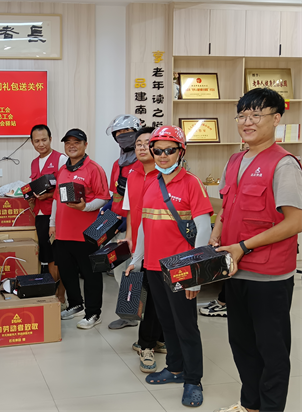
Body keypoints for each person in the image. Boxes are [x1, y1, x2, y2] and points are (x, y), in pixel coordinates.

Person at [213, 88, 302, 412]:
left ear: (276, 119)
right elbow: (227, 207)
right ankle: (250, 406)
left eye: (256, 115)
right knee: (242, 345)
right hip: (234, 269)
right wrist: (216, 235)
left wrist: (242, 246)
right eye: (242, 115)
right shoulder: (235, 159)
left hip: (268, 276)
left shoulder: (284, 164)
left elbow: (295, 222)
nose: (247, 122)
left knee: (272, 351)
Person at [126, 126, 213, 408]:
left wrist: (196, 275)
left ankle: (193, 379)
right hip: (154, 266)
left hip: (181, 268)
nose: (163, 156)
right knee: (166, 321)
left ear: (181, 151)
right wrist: (137, 258)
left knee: (186, 325)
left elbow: (203, 229)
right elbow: (144, 226)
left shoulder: (191, 183)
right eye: (157, 150)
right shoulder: (152, 183)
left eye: (169, 150)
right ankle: (175, 368)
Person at [50, 128, 110, 329]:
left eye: (76, 142)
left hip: (87, 234)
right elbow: (56, 200)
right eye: (68, 142)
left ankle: (94, 313)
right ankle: (76, 305)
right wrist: (52, 224)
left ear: (85, 145)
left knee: (91, 274)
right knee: (67, 271)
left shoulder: (94, 169)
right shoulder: (62, 170)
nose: (72, 146)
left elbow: (103, 198)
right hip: (63, 232)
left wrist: (86, 207)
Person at [120, 126, 166, 373]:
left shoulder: (165, 173)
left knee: (158, 293)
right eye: (138, 143)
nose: (141, 147)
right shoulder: (132, 174)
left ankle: (154, 339)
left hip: (162, 242)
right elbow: (130, 209)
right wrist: (129, 236)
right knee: (146, 293)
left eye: (147, 143)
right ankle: (146, 342)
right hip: (140, 243)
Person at [104, 114, 143, 330]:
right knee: (121, 273)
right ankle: (129, 315)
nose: (122, 136)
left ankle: (141, 316)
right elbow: (116, 197)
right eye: (118, 133)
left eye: (127, 132)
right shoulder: (117, 165)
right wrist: (107, 214)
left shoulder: (145, 163)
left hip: (140, 228)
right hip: (119, 228)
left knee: (136, 272)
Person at [28, 124, 67, 305]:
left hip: (57, 215)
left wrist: (49, 196)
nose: (41, 144)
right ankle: (52, 293)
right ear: (32, 142)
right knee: (47, 256)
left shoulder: (61, 159)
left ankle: (61, 295)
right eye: (37, 141)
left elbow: (65, 189)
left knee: (57, 256)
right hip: (41, 214)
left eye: (44, 140)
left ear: (50, 139)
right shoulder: (34, 162)